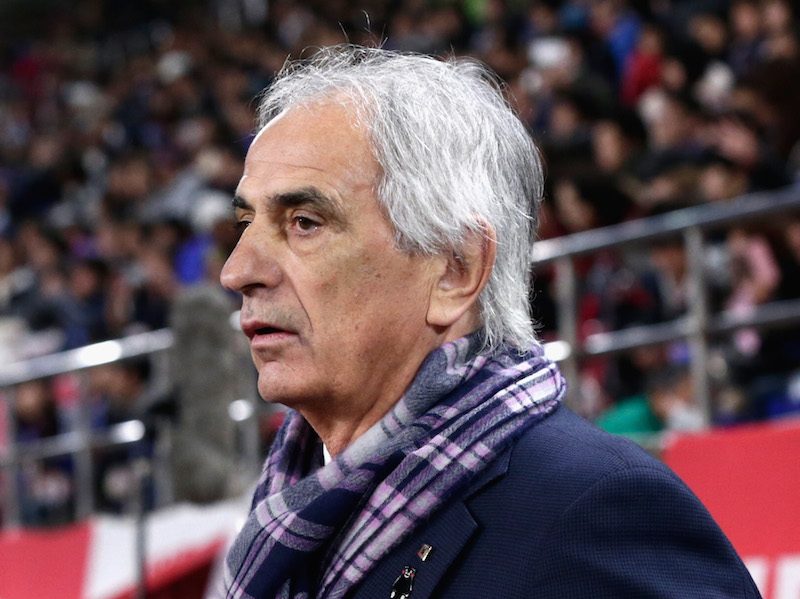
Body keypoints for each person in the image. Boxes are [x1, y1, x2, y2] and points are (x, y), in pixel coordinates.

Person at [216, 46, 760, 598]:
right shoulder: (291, 508)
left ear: (456, 270)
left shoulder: (597, 512)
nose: (237, 271)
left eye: (304, 222)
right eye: (245, 224)